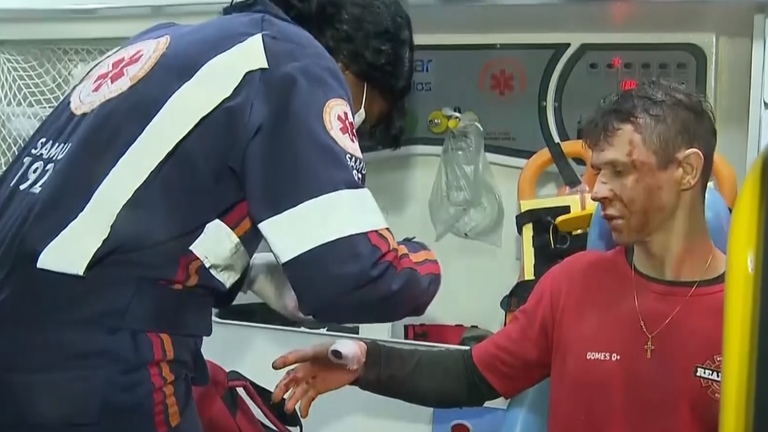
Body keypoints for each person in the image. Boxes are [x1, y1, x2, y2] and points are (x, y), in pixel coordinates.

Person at [0, 0, 441, 431]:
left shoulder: (168, 43)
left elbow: (139, 212)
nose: (353, 127)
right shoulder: (297, 63)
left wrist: (245, 273)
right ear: (356, 68)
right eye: (362, 117)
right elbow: (353, 272)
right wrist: (423, 264)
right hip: (103, 355)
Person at [271, 79, 726, 432]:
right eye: (598, 171)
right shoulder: (572, 285)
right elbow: (473, 375)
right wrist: (366, 360)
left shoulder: (745, 313)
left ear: (686, 170)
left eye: (620, 171)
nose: (597, 191)